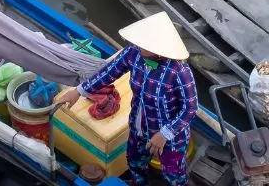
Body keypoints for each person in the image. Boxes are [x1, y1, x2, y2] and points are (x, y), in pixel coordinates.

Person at [51, 13, 198, 186]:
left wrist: (164, 134)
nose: (138, 44)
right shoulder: (134, 52)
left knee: (174, 174)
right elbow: (109, 72)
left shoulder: (179, 71)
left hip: (170, 134)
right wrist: (79, 91)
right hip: (139, 124)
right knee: (135, 161)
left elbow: (190, 109)